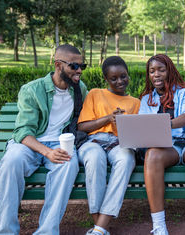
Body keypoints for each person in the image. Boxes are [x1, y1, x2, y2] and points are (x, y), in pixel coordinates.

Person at [0, 44, 88, 235]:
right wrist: (47, 152)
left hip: (60, 143)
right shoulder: (32, 90)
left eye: (82, 66)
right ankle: (5, 230)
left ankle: (47, 231)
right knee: (11, 162)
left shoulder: (79, 89)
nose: (79, 71)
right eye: (74, 66)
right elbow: (22, 132)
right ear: (58, 65)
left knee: (68, 165)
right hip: (30, 143)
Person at [139, 54, 185, 235]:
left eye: (161, 70)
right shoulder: (146, 99)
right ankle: (159, 227)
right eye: (152, 71)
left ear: (169, 71)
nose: (156, 74)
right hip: (166, 146)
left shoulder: (184, 92)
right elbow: (142, 125)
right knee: (152, 155)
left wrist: (165, 123)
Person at [77, 56, 140, 235]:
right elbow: (82, 126)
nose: (120, 81)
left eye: (123, 76)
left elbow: (137, 134)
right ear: (106, 79)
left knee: (127, 159)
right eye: (113, 78)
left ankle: (99, 228)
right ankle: (100, 226)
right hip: (93, 141)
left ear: (128, 75)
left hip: (120, 142)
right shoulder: (95, 94)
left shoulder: (135, 102)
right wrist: (107, 118)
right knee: (95, 159)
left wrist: (125, 123)